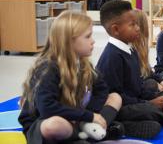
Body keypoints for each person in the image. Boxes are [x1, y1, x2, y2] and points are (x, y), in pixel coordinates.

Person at [96, 0, 163, 139]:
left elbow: (138, 85)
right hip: (121, 108)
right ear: (115, 30)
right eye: (132, 25)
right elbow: (116, 98)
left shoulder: (130, 50)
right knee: (153, 123)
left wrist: (155, 97)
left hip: (136, 100)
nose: (138, 28)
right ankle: (122, 126)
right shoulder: (111, 57)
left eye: (137, 24)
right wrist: (149, 103)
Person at [18, 11, 123, 144]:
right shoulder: (47, 69)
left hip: (77, 117)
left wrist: (89, 113)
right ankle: (90, 133)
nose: (93, 41)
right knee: (54, 125)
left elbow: (101, 90)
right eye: (88, 36)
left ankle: (91, 130)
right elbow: (47, 109)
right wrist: (87, 116)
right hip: (47, 120)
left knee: (115, 97)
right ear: (69, 41)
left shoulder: (84, 63)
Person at [131, 9, 163, 98]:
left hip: (148, 80)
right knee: (152, 84)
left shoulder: (142, 46)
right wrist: (156, 83)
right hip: (140, 86)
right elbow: (136, 79)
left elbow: (148, 71)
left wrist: (161, 81)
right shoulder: (130, 49)